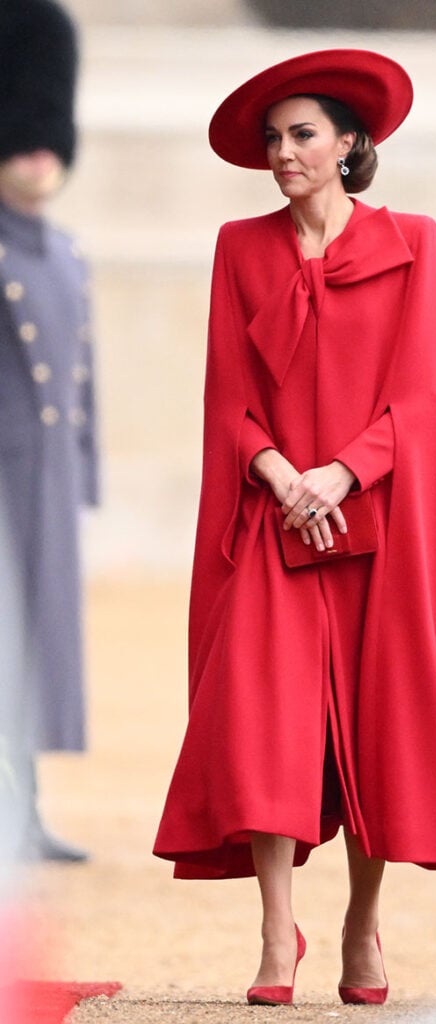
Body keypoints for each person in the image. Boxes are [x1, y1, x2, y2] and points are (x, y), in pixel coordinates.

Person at [154, 49, 436, 1005]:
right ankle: (276, 932)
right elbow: (229, 396)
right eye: (273, 138)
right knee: (262, 719)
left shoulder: (415, 241)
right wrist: (281, 477)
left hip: (377, 518)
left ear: (350, 143)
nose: (283, 152)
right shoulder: (240, 246)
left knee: (377, 730)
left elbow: (421, 397)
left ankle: (361, 925)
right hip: (273, 517)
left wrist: (340, 472)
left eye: (302, 134)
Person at [0, 0, 99, 862]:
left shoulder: (66, 254)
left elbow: (83, 385)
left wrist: (85, 478)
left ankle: (24, 809)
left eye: (45, 139)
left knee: (37, 645)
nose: (35, 154)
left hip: (48, 485)